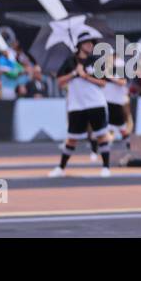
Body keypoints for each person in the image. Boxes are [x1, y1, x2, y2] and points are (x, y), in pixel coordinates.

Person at [49, 37, 112, 178]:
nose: (90, 45)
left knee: (101, 134)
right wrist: (74, 73)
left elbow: (103, 83)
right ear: (79, 45)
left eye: (92, 43)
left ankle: (106, 167)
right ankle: (61, 167)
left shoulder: (96, 60)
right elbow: (59, 81)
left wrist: (85, 76)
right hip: (76, 105)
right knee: (72, 138)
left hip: (96, 103)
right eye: (87, 43)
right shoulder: (70, 61)